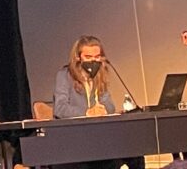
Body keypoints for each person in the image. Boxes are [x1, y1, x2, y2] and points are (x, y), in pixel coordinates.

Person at [52, 36, 144, 169]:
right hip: (74, 138)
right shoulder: (64, 75)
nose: (93, 61)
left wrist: (103, 109)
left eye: (97, 57)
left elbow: (109, 104)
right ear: (78, 57)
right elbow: (60, 108)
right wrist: (87, 113)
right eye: (88, 57)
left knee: (135, 151)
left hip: (99, 136)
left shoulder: (99, 74)